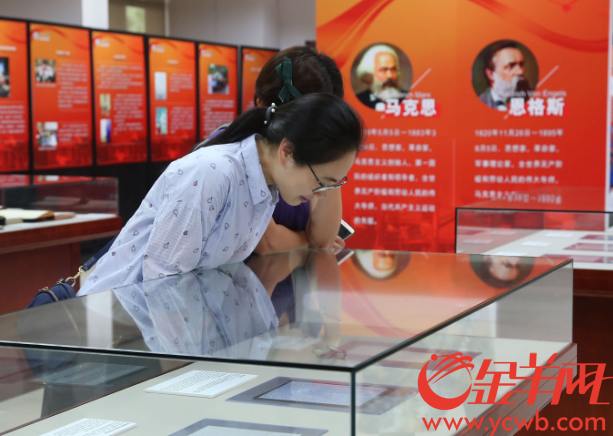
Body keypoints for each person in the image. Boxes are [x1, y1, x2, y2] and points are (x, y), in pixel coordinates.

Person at [78, 93, 363, 296]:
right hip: (123, 328)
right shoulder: (211, 173)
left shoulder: (266, 187)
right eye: (321, 182)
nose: (320, 196)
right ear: (286, 152)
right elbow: (163, 283)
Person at [193, 47, 347, 255]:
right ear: (263, 105)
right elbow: (265, 244)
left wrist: (329, 164)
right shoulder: (233, 159)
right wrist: (307, 240)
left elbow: (323, 239)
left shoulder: (310, 160)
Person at [479, 41, 533, 111]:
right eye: (510, 66)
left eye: (521, 65)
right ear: (491, 74)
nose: (520, 71)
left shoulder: (533, 100)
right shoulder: (479, 104)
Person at [355, 44, 408, 108]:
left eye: (393, 69)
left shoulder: (408, 97)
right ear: (369, 74)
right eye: (383, 70)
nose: (390, 76)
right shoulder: (359, 100)